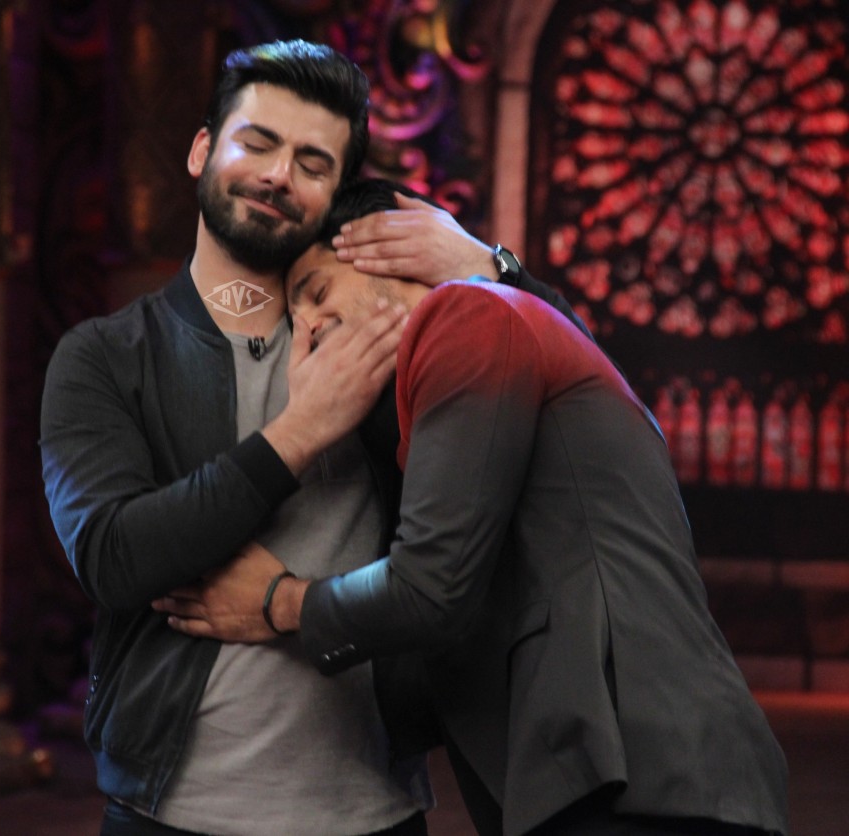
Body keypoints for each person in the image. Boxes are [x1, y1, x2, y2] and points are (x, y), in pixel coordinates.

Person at [41, 40, 579, 836]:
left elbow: (578, 401)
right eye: (257, 144)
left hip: (373, 809)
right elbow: (113, 559)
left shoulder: (385, 329)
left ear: (334, 198)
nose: (277, 175)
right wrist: (300, 432)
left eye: (311, 163)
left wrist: (489, 265)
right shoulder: (108, 356)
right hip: (170, 812)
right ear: (201, 151)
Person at [156, 179, 791, 836]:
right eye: (294, 322)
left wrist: (278, 602)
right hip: (629, 775)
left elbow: (430, 587)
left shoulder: (469, 313)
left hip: (637, 769)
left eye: (316, 293)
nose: (308, 329)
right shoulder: (472, 360)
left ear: (387, 252)